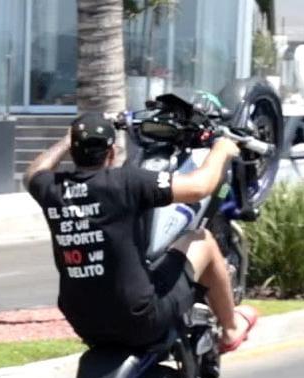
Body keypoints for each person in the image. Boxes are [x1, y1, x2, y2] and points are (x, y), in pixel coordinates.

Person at [23, 112, 258, 353]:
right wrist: (221, 150)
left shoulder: (51, 188)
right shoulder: (125, 182)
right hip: (140, 319)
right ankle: (231, 329)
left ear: (72, 152)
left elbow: (33, 173)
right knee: (202, 239)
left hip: (83, 323)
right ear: (111, 153)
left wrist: (67, 139)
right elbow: (199, 187)